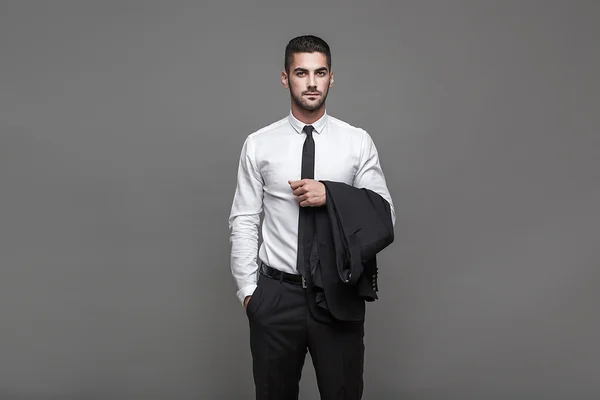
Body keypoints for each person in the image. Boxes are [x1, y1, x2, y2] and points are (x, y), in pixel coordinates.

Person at [228, 34, 395, 399]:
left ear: (331, 77)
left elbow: (384, 218)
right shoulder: (259, 143)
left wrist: (330, 194)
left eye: (320, 73)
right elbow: (243, 219)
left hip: (337, 295)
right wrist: (249, 293)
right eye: (302, 73)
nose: (312, 82)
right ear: (286, 78)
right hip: (275, 297)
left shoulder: (356, 142)